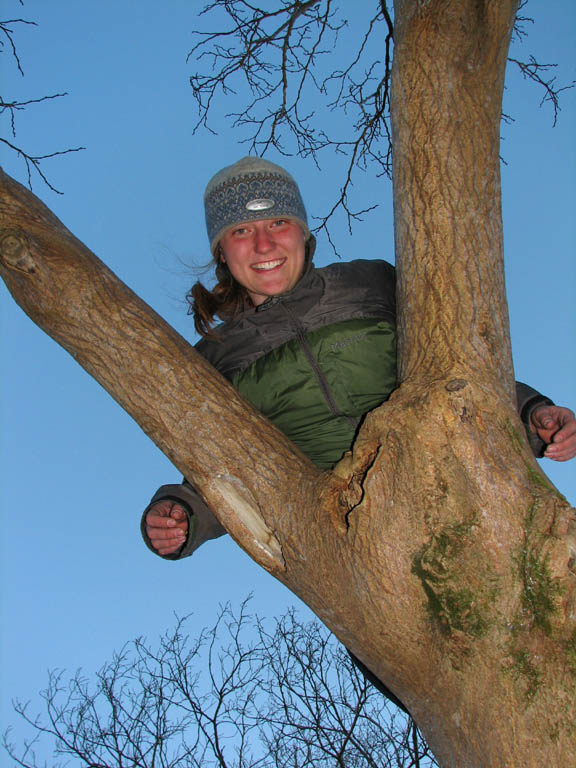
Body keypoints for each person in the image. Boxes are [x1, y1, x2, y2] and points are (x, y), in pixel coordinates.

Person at [141, 156, 576, 709]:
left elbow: (455, 365)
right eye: (241, 231)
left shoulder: (371, 282)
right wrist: (185, 511)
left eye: (277, 222)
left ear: (303, 230)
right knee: (471, 701)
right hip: (360, 552)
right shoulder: (213, 359)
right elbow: (224, 468)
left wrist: (532, 412)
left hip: (465, 497)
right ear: (222, 253)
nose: (263, 242)